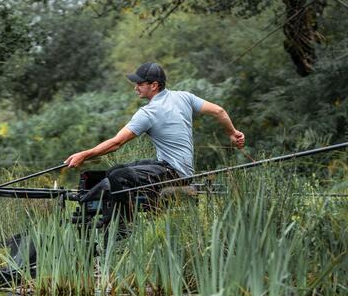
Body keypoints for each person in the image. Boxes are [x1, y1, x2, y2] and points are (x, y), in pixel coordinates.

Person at [64, 62, 245, 224]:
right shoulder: (183, 97)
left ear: (154, 85)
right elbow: (219, 111)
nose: (136, 88)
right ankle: (139, 213)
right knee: (114, 171)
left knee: (118, 177)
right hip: (177, 169)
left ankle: (123, 226)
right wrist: (233, 133)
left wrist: (84, 155)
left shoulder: (149, 112)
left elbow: (116, 143)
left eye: (140, 84)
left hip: (173, 173)